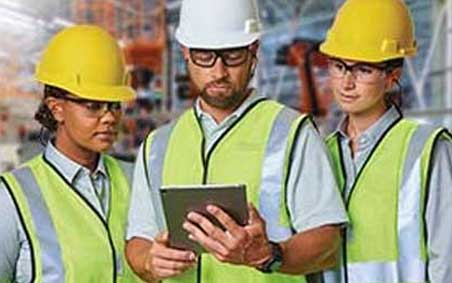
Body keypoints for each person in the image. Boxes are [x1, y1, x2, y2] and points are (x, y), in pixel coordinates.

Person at [125, 0, 348, 282]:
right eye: (205, 56)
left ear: (253, 50)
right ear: (185, 52)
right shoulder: (158, 145)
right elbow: (137, 241)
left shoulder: (292, 134)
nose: (218, 72)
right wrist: (149, 261)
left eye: (232, 56)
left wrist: (269, 254)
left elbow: (327, 242)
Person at [319, 0, 452, 282]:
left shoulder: (428, 150)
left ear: (393, 76)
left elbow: (447, 256)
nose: (347, 82)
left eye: (364, 69)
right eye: (339, 66)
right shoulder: (322, 153)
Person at [0, 25, 141, 282]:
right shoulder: (12, 198)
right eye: (93, 106)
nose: (109, 118)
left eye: (114, 106)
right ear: (57, 109)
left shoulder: (135, 181)